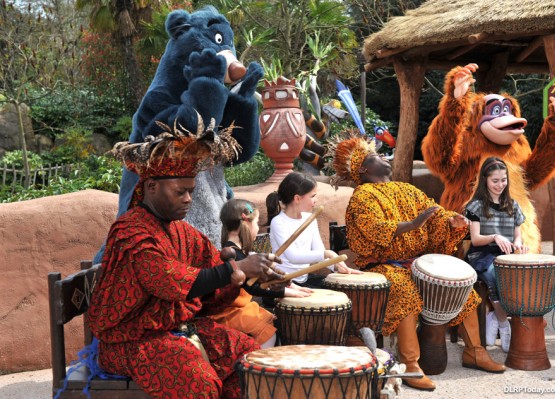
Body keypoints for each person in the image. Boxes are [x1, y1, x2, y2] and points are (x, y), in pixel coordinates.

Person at [87, 117, 285, 399]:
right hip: (130, 340)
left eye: (191, 191)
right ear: (152, 187)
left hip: (174, 330)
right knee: (200, 385)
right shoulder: (130, 230)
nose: (188, 199)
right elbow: (168, 281)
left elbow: (213, 268)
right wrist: (235, 267)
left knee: (248, 358)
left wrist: (251, 272)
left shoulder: (181, 230)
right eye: (180, 192)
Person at [330, 135, 505, 392]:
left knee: (462, 290)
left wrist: (451, 222)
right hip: (382, 266)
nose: (382, 157)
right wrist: (414, 224)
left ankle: (475, 352)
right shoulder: (362, 196)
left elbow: (433, 214)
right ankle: (410, 365)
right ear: (364, 169)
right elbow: (375, 230)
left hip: (415, 261)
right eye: (375, 157)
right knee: (404, 291)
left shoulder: (407, 189)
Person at [207, 198, 312, 348]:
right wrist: (286, 292)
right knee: (268, 332)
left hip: (238, 308)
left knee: (270, 320)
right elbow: (252, 287)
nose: (257, 228)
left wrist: (291, 285)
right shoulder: (234, 256)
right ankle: (256, 368)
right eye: (256, 223)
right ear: (246, 222)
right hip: (228, 312)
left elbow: (263, 277)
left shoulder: (239, 253)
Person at [465, 157, 529, 352]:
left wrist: (519, 244)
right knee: (494, 276)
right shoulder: (475, 206)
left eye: (503, 180)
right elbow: (475, 239)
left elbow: (517, 235)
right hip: (481, 255)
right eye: (495, 181)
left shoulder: (513, 205)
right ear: (485, 180)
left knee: (518, 278)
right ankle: (504, 324)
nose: (500, 185)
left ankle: (494, 316)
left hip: (505, 255)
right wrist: (494, 236)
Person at [266, 171, 362, 288]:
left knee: (339, 290)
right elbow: (293, 257)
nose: (316, 200)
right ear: (297, 198)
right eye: (312, 196)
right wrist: (328, 254)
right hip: (283, 282)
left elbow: (320, 253)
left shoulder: (309, 218)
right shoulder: (278, 222)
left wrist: (336, 266)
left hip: (304, 278)